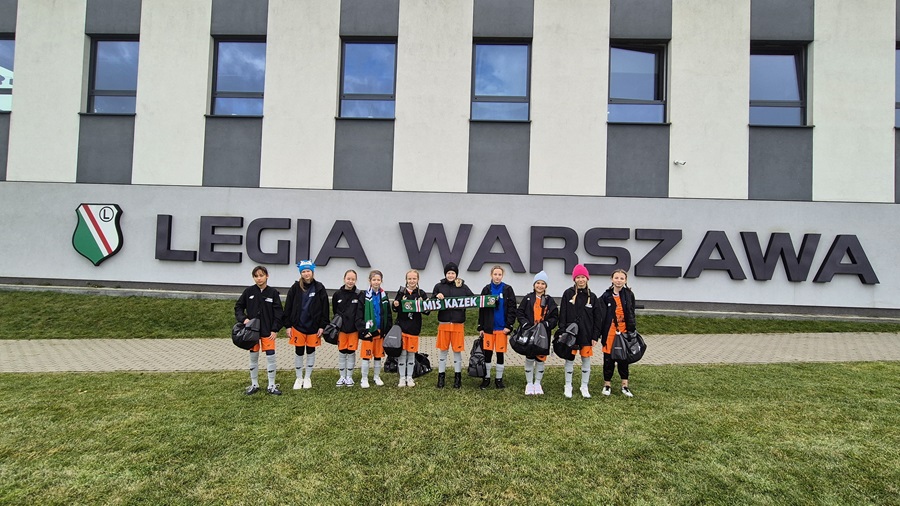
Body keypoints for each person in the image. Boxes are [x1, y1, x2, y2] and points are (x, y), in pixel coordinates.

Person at [234, 265, 284, 395]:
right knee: (253, 357)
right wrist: (244, 319)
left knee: (271, 357)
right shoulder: (248, 292)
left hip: (268, 331)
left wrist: (275, 329)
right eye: (256, 276)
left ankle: (271, 385)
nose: (259, 278)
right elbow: (238, 307)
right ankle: (254, 384)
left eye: (261, 275)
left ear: (267, 276)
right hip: (252, 332)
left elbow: (279, 313)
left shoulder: (273, 293)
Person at [283, 260, 330, 390]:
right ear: (301, 273)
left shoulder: (319, 287)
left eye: (308, 271)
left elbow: (325, 308)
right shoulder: (295, 288)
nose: (306, 273)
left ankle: (307, 377)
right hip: (298, 326)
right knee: (299, 352)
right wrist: (288, 325)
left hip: (313, 327)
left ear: (312, 272)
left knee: (310, 351)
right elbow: (288, 307)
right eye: (303, 271)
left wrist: (322, 326)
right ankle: (299, 378)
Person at [558, 264, 602, 399]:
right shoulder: (568, 294)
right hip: (571, 334)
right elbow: (563, 314)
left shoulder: (592, 297)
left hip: (586, 335)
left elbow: (598, 318)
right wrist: (562, 331)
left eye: (583, 277)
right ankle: (568, 385)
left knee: (586, 360)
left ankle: (584, 386)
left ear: (587, 278)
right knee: (569, 359)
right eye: (578, 277)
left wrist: (595, 336)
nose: (581, 280)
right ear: (574, 279)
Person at [432, 262, 474, 389]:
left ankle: (458, 378)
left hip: (458, 324)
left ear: (456, 274)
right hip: (444, 323)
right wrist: (436, 296)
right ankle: (441, 377)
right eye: (449, 273)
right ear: (445, 274)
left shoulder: (462, 286)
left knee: (457, 351)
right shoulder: (439, 286)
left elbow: (472, 299)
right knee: (443, 351)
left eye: (453, 273)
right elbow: (431, 302)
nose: (451, 275)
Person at [516, 270, 558, 395]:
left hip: (543, 335)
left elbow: (555, 317)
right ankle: (529, 383)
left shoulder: (550, 300)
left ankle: (537, 383)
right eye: (538, 283)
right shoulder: (528, 298)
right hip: (530, 333)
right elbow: (520, 313)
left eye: (543, 283)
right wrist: (525, 324)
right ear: (534, 284)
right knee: (529, 358)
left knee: (540, 359)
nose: (540, 286)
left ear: (546, 286)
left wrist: (546, 324)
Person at [598, 269, 637, 397]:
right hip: (610, 332)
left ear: (625, 280)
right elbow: (601, 315)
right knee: (608, 359)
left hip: (624, 331)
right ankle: (607, 385)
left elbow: (632, 313)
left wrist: (632, 329)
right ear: (612, 279)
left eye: (621, 278)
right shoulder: (606, 296)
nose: (619, 281)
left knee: (623, 359)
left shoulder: (629, 294)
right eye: (616, 278)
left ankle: (625, 385)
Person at [477, 265, 517, 389]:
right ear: (491, 275)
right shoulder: (486, 289)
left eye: (499, 274)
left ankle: (499, 379)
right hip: (489, 329)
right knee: (488, 354)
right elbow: (482, 309)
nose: (497, 277)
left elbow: (512, 309)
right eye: (495, 274)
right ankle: (486, 378)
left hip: (501, 329)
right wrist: (481, 327)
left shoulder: (507, 289)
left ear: (502, 276)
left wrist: (509, 325)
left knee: (500, 354)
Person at [355, 270, 392, 388]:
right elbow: (359, 314)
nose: (376, 282)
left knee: (378, 355)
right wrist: (364, 331)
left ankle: (376, 377)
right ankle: (364, 378)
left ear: (381, 281)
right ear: (370, 281)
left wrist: (387, 330)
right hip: (369, 332)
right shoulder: (363, 296)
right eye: (374, 280)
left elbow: (388, 314)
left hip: (380, 331)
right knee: (366, 356)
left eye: (378, 280)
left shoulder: (384, 295)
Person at [392, 269, 429, 387]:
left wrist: (424, 304)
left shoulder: (421, 293)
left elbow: (427, 311)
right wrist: (395, 304)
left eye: (414, 278)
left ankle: (410, 377)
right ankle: (402, 378)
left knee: (411, 354)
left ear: (418, 280)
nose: (412, 281)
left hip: (414, 329)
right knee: (402, 355)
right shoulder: (401, 292)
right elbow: (395, 308)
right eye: (409, 278)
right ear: (406, 280)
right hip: (402, 328)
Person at [332, 269, 360, 387]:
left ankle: (349, 377)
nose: (350, 281)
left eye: (353, 279)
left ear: (356, 280)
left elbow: (360, 312)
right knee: (342, 352)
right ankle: (342, 376)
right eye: (348, 279)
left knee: (351, 352)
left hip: (353, 329)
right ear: (344, 279)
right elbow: (335, 310)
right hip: (341, 330)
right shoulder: (337, 294)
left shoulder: (358, 294)